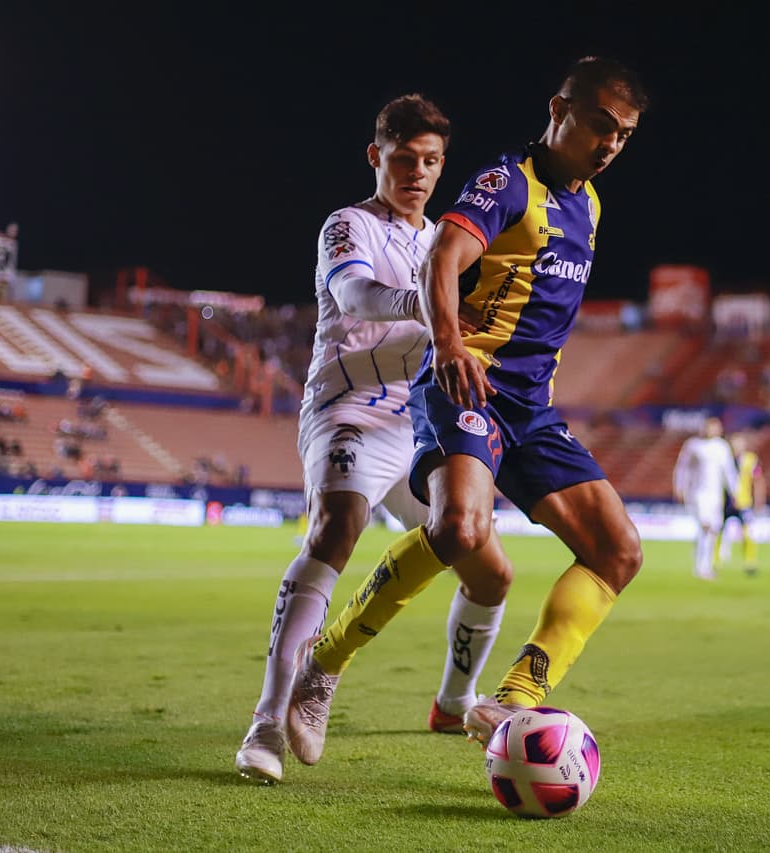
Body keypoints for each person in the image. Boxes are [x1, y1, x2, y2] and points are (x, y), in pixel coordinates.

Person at [286, 56, 650, 758]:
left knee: (618, 550)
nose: (610, 144)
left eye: (625, 135)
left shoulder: (589, 205)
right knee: (458, 525)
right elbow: (443, 257)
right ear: (559, 110)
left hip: (531, 409)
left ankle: (514, 698)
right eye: (600, 124)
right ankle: (323, 662)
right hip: (465, 383)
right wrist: (450, 345)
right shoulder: (507, 182)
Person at [234, 94, 511, 784]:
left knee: (489, 566)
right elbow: (356, 297)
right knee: (336, 528)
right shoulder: (348, 224)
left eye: (431, 160)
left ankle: (454, 702)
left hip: (417, 419)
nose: (417, 172)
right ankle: (269, 717)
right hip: (349, 406)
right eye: (404, 158)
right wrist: (431, 304)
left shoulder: (442, 242)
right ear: (375, 156)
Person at [672, 416, 737, 581]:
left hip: (716, 494)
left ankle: (703, 561)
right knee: (706, 526)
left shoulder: (722, 447)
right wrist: (680, 487)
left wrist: (735, 492)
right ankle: (702, 568)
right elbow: (682, 467)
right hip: (698, 494)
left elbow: (729, 472)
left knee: (714, 529)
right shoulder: (693, 445)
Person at [724, 431, 765, 575]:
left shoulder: (750, 459)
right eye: (735, 442)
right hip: (725, 503)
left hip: (744, 502)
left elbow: (758, 480)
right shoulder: (724, 458)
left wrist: (759, 500)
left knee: (748, 534)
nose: (737, 445)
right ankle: (713, 563)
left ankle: (750, 563)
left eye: (740, 442)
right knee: (716, 534)